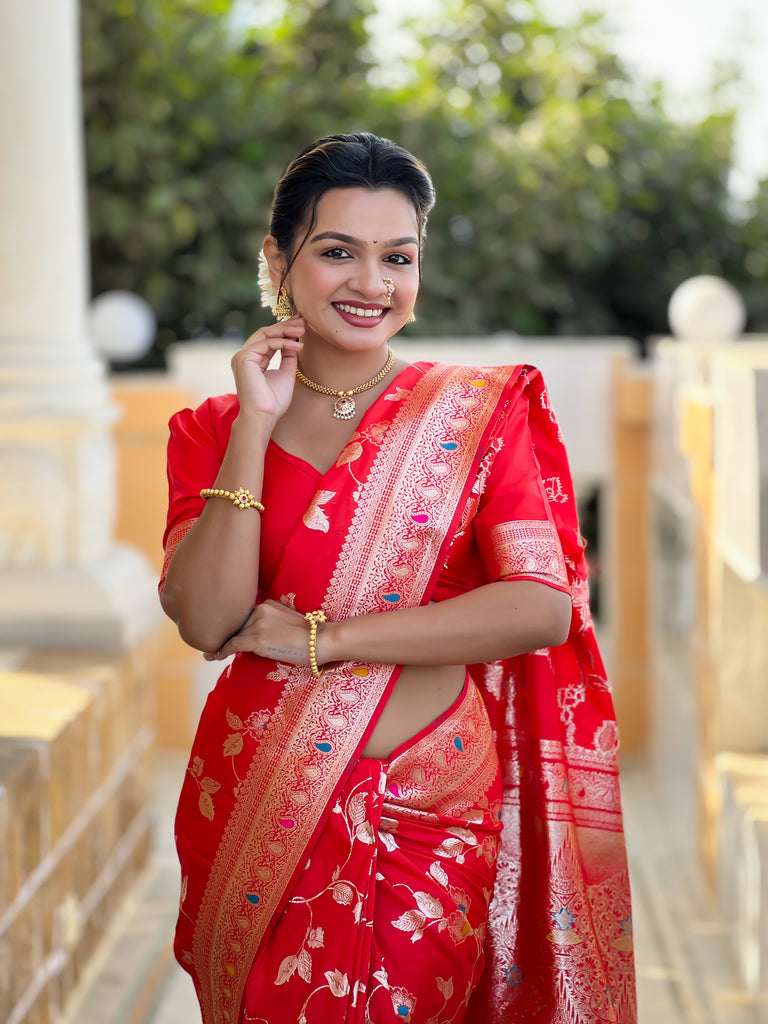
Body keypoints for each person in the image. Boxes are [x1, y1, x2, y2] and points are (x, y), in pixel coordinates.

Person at [160, 132, 637, 1024]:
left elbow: (540, 606)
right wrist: (254, 430)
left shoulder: (479, 415)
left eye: (398, 257)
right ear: (279, 262)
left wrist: (325, 640)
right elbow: (207, 621)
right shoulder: (215, 430)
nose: (371, 284)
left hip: (426, 810)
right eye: (338, 251)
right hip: (259, 800)